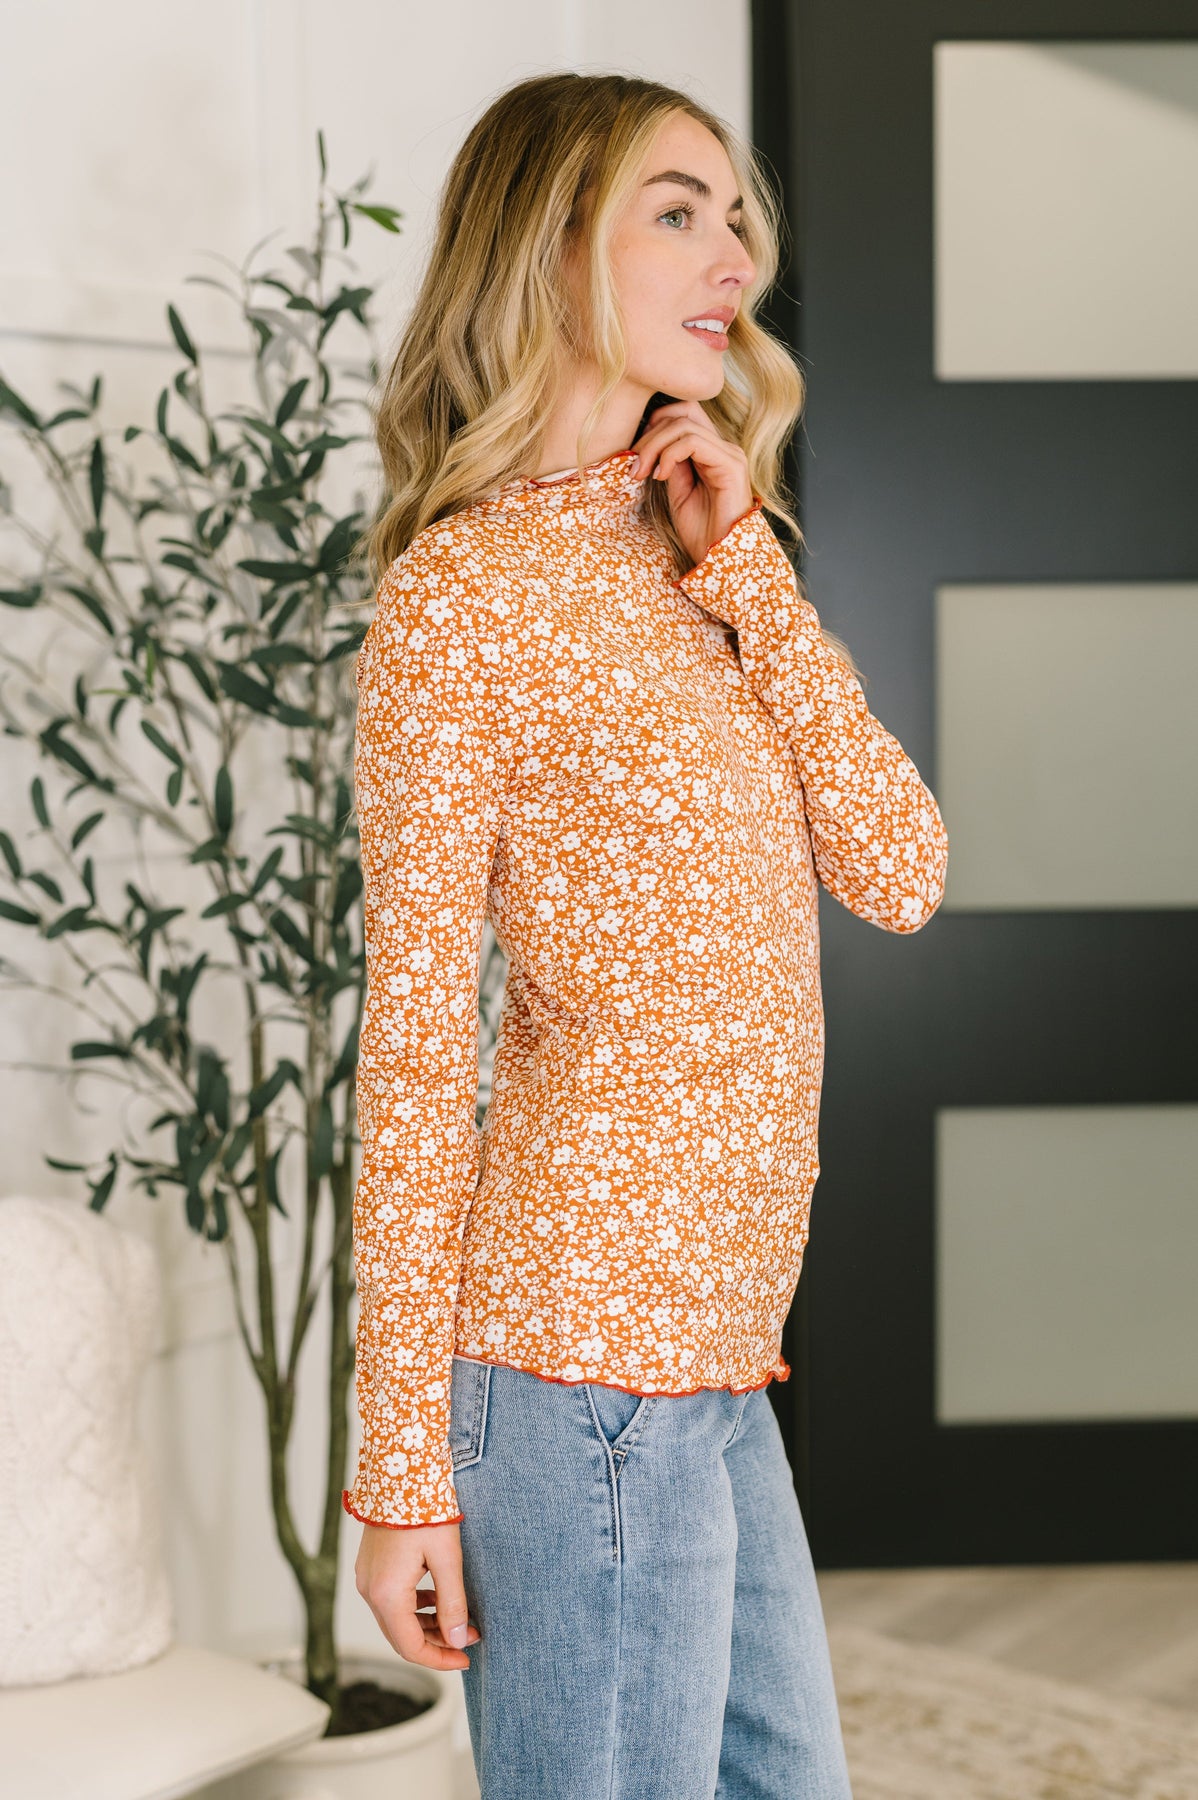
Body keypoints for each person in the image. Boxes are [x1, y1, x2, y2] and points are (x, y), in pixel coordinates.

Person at [345, 70, 948, 1799]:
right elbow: (413, 1049)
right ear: (546, 250)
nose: (731, 258)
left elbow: (900, 869)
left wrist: (746, 571)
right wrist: (399, 1470)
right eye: (674, 214)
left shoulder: (699, 557)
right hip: (574, 1371)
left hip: (715, 1361)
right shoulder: (458, 600)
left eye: (734, 217)